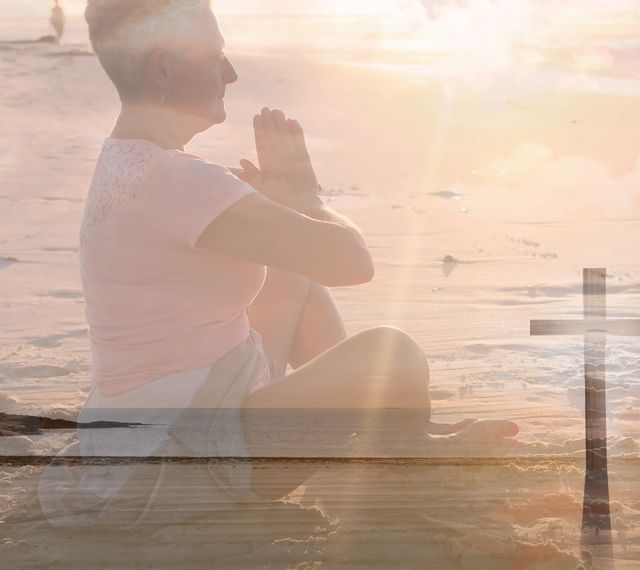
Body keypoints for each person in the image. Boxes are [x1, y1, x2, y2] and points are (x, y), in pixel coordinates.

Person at [40, 0, 518, 526]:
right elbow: (353, 262)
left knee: (294, 280)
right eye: (215, 55)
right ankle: (402, 460)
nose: (231, 72)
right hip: (182, 451)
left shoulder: (128, 159)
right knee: (393, 354)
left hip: (148, 424)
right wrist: (308, 200)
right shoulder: (175, 179)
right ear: (163, 68)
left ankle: (382, 433)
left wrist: (275, 211)